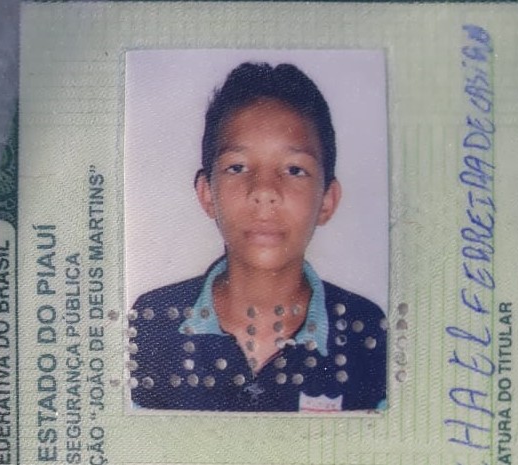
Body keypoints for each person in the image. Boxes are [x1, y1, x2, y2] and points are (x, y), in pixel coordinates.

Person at [129, 62, 387, 412]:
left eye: (294, 170)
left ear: (327, 201)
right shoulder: (152, 326)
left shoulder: (368, 336)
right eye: (237, 167)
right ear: (207, 195)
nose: (264, 191)